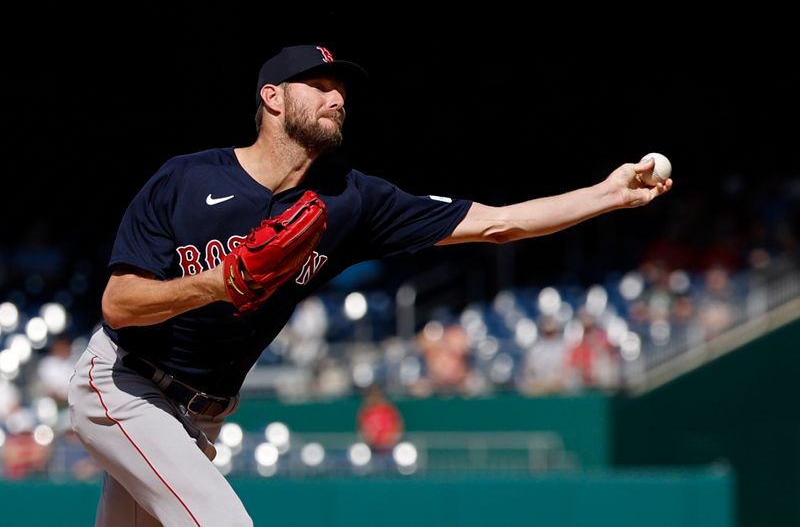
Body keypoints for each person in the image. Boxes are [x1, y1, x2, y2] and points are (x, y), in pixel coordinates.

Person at [67, 44, 672, 526]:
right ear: (272, 98)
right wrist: (222, 282)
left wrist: (608, 195)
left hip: (201, 417)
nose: (337, 99)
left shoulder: (349, 201)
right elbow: (119, 305)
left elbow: (497, 223)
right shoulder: (186, 181)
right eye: (321, 86)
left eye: (343, 91)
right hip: (124, 385)